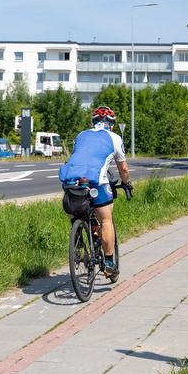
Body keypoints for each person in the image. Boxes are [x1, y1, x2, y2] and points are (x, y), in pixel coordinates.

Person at [59, 106, 132, 278]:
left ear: (93, 122)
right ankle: (108, 262)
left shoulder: (81, 135)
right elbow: (123, 168)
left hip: (71, 181)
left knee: (74, 209)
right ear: (112, 125)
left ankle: (78, 239)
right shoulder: (114, 138)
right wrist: (126, 183)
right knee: (106, 220)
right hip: (97, 182)